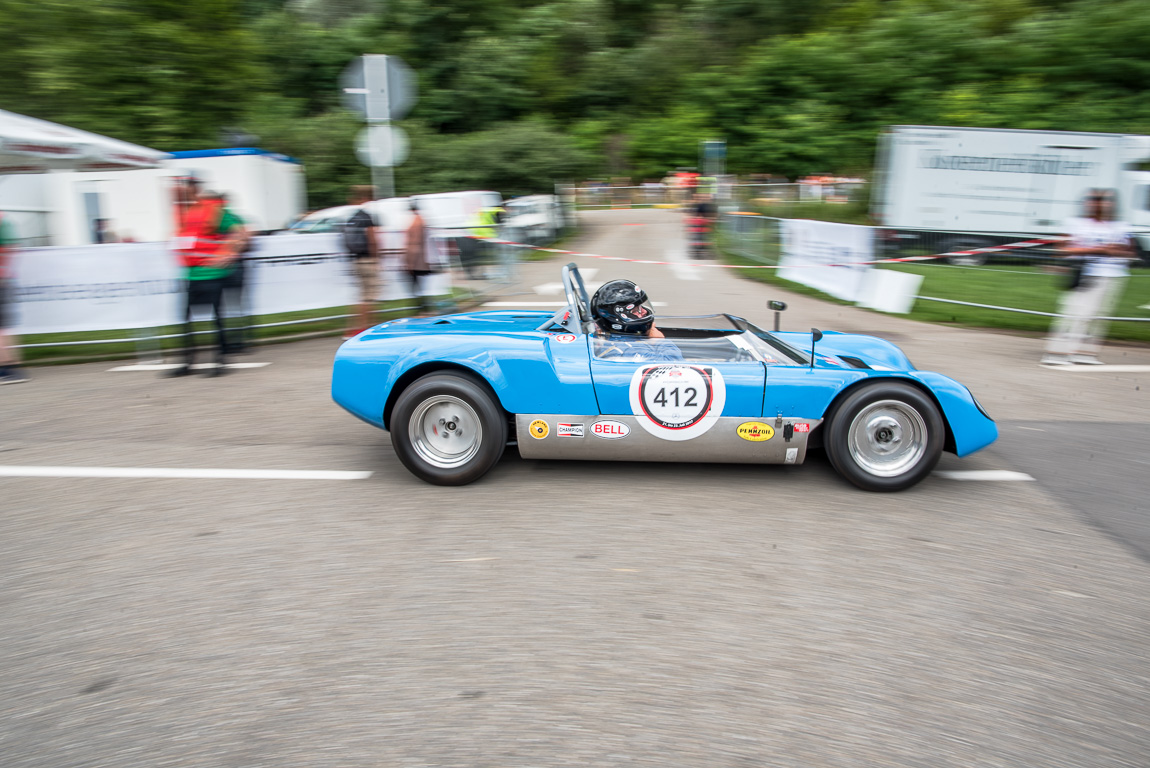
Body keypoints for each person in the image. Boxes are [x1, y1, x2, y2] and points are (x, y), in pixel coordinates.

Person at [1042, 188, 1136, 366]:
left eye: (1107, 200)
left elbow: (1130, 251)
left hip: (1112, 275)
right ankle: (1057, 352)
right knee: (1074, 313)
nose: (1100, 204)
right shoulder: (1077, 224)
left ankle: (1084, 353)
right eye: (1094, 200)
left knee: (1098, 316)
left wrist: (1115, 250)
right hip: (1085, 274)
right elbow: (1062, 249)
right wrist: (1099, 249)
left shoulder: (1121, 226)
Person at [168, 186, 247, 377]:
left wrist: (227, 255)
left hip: (211, 276)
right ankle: (188, 362)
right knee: (186, 320)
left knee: (215, 320)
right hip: (191, 275)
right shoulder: (190, 213)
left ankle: (219, 362)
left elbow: (241, 234)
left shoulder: (216, 212)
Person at [590, 279, 683, 362]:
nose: (644, 311)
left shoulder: (615, 339)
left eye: (641, 307)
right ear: (617, 319)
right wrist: (660, 341)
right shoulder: (629, 349)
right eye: (635, 310)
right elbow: (674, 366)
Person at [342, 185, 380, 338]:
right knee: (369, 296)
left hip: (355, 260)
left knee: (362, 296)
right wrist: (377, 258)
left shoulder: (352, 216)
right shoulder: (366, 216)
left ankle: (355, 329)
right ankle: (362, 330)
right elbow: (372, 239)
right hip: (367, 260)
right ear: (367, 198)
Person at [0, 212, 29, 384]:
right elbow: (12, 248)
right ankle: (13, 365)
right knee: (5, 326)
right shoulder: (5, 220)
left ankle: (6, 368)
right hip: (6, 278)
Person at [404, 200, 434, 316]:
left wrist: (410, 262)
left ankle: (422, 308)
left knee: (415, 285)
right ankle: (424, 307)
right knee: (418, 285)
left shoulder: (416, 222)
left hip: (417, 259)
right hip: (420, 258)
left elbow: (415, 243)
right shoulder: (420, 220)